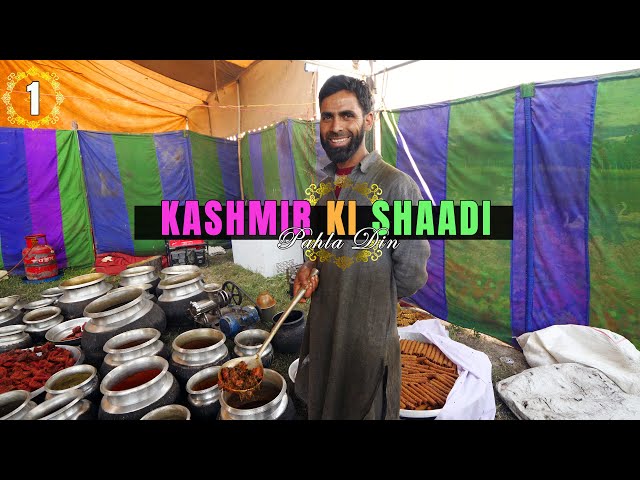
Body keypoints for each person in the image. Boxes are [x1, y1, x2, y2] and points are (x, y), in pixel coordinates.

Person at [293, 75, 431, 420]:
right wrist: (308, 268)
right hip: (323, 327)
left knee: (365, 407)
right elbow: (316, 250)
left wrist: (365, 293)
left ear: (368, 120)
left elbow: (412, 272)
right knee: (323, 402)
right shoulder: (322, 190)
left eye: (346, 115)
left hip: (366, 337)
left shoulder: (396, 187)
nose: (335, 126)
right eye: (327, 117)